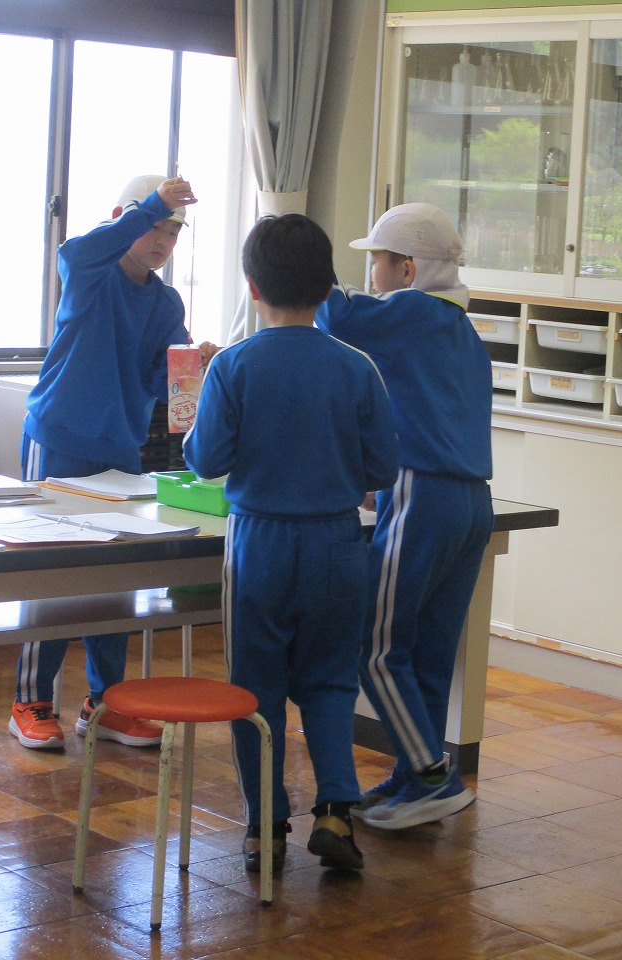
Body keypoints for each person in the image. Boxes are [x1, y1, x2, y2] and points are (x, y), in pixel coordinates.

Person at [183, 213, 400, 873]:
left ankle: (265, 825)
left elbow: (205, 460)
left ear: (252, 288)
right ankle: (335, 810)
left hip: (261, 542)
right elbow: (382, 467)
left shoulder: (233, 365)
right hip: (338, 541)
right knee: (330, 681)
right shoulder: (357, 367)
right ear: (329, 288)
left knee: (256, 688)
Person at [9, 174, 217, 751]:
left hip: (121, 448)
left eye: (173, 232)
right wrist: (152, 205)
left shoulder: (165, 302)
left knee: (113, 576)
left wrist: (195, 363)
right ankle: (31, 701)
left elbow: (160, 379)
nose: (163, 240)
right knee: (51, 569)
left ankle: (107, 704)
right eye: (155, 226)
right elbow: (75, 250)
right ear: (125, 218)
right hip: (59, 437)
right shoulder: (90, 272)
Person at [315, 202, 494, 830]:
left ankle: (432, 776)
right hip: (471, 501)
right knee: (426, 650)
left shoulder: (413, 311)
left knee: (373, 644)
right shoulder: (461, 330)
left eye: (377, 262)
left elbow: (335, 313)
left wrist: (303, 257)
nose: (373, 276)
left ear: (408, 269)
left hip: (423, 494)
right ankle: (413, 776)